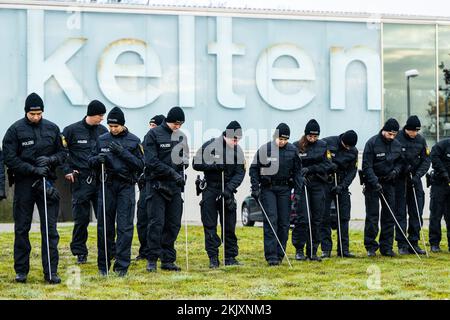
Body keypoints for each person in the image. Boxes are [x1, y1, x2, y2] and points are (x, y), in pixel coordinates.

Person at [2, 92, 66, 284]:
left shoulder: (53, 129)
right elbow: (9, 158)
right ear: (26, 112)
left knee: (50, 230)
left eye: (39, 114)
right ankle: (21, 271)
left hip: (47, 184)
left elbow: (63, 153)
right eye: (32, 114)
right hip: (24, 184)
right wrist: (32, 169)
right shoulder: (14, 130)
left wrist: (50, 159)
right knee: (22, 229)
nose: (36, 117)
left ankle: (51, 272)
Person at [89, 107, 144, 277]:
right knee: (104, 226)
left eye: (116, 126)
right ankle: (103, 264)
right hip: (107, 186)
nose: (112, 129)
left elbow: (141, 165)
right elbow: (90, 161)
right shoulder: (102, 139)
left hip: (126, 187)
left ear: (122, 125)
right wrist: (97, 160)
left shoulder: (134, 141)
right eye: (110, 126)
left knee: (125, 227)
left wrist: (122, 152)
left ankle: (121, 267)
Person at [193, 121, 246, 268]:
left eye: (238, 140)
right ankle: (213, 257)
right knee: (209, 225)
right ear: (226, 135)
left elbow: (240, 173)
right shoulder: (210, 146)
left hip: (227, 190)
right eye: (234, 139)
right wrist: (214, 167)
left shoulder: (238, 151)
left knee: (229, 226)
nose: (236, 142)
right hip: (210, 188)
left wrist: (229, 189)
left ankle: (230, 257)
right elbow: (195, 163)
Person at [62, 100, 108, 264]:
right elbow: (62, 151)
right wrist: (67, 169)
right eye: (100, 115)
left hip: (99, 179)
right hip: (81, 180)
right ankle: (80, 251)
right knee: (81, 220)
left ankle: (107, 250)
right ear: (91, 114)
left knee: (103, 218)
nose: (102, 119)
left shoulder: (103, 131)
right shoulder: (71, 130)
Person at [249, 123, 302, 266]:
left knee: (284, 223)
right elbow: (253, 169)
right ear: (275, 137)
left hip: (285, 190)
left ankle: (280, 253)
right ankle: (271, 255)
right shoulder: (265, 149)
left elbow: (298, 173)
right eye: (280, 139)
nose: (282, 142)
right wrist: (255, 188)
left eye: (285, 139)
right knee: (271, 220)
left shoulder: (292, 150)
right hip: (268, 189)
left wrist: (297, 192)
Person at [144, 106, 189, 272]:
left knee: (173, 224)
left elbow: (185, 157)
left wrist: (185, 164)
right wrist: (172, 173)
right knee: (156, 223)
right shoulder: (153, 135)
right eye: (176, 123)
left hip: (175, 186)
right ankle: (152, 259)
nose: (178, 127)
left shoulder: (181, 137)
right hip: (157, 185)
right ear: (169, 120)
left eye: (181, 124)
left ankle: (168, 259)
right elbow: (151, 162)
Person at [291, 119, 333, 261]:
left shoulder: (323, 146)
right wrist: (298, 175)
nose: (313, 139)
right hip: (302, 185)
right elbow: (292, 166)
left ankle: (313, 250)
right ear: (306, 134)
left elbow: (328, 165)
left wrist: (312, 169)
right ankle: (299, 249)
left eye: (315, 136)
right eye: (310, 136)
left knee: (317, 219)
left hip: (318, 184)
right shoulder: (296, 146)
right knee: (302, 219)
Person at [362, 118, 404, 257]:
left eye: (394, 134)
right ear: (384, 130)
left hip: (389, 183)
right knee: (372, 216)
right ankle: (371, 247)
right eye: (390, 134)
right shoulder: (372, 143)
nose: (392, 137)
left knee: (389, 216)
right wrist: (374, 182)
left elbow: (400, 162)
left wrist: (395, 172)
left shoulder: (397, 145)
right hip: (373, 184)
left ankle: (386, 247)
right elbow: (366, 166)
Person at [394, 116, 430, 255]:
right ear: (406, 128)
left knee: (416, 212)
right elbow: (394, 158)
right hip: (400, 180)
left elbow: (426, 160)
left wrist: (417, 175)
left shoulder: (421, 140)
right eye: (412, 131)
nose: (415, 134)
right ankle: (402, 244)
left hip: (415, 180)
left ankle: (413, 242)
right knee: (401, 212)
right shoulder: (397, 138)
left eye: (417, 131)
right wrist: (403, 168)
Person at [320, 130, 358, 258]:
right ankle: (326, 249)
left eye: (350, 147)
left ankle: (343, 249)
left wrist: (342, 186)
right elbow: (318, 159)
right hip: (326, 182)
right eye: (346, 145)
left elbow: (353, 170)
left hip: (342, 184)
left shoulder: (353, 151)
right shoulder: (327, 142)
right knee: (324, 216)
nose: (348, 148)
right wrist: (328, 166)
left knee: (344, 217)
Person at [136, 114, 165, 261]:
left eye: (154, 125)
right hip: (144, 184)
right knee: (142, 219)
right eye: (150, 125)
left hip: (158, 185)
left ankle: (158, 251)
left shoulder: (165, 142)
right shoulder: (145, 141)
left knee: (157, 221)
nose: (151, 128)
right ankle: (144, 251)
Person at [429, 136, 450, 253]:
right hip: (439, 184)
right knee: (436, 215)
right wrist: (443, 172)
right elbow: (434, 157)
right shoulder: (442, 145)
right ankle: (434, 243)